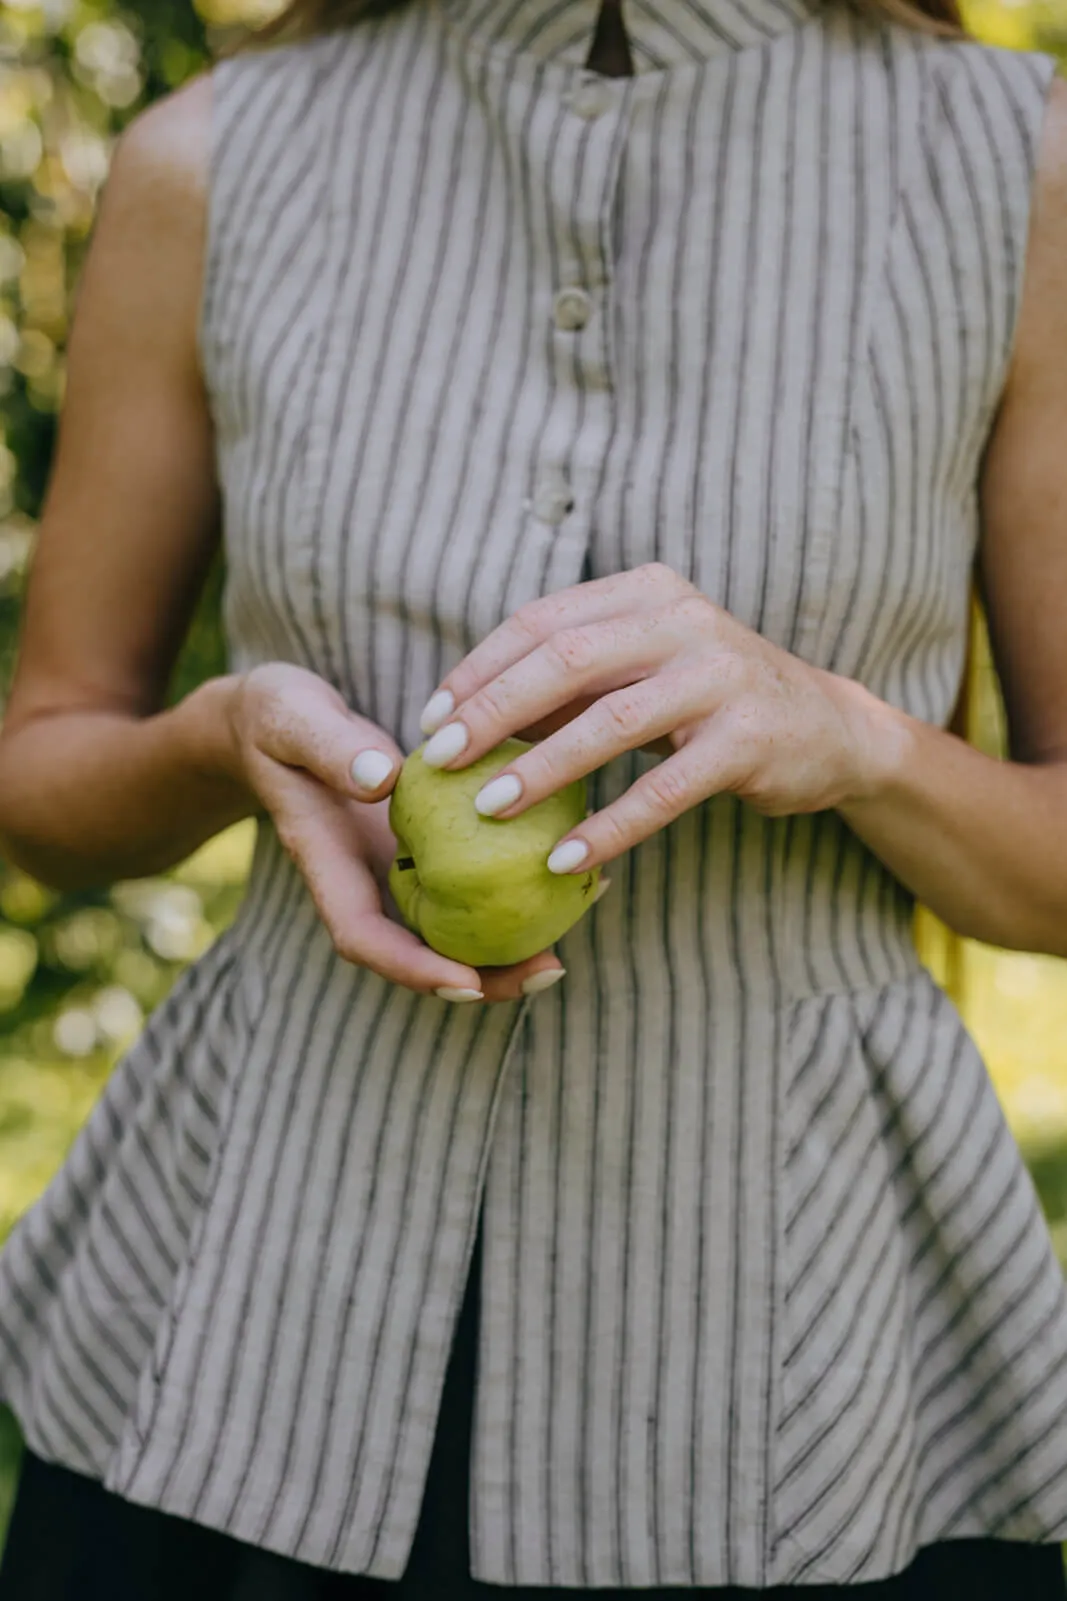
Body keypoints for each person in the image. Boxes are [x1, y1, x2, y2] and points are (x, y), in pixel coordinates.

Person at [1, 0, 1067, 1586]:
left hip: (809, 1363)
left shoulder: (1019, 164)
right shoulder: (211, 158)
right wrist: (217, 738)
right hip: (248, 1339)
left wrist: (851, 736)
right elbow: (43, 774)